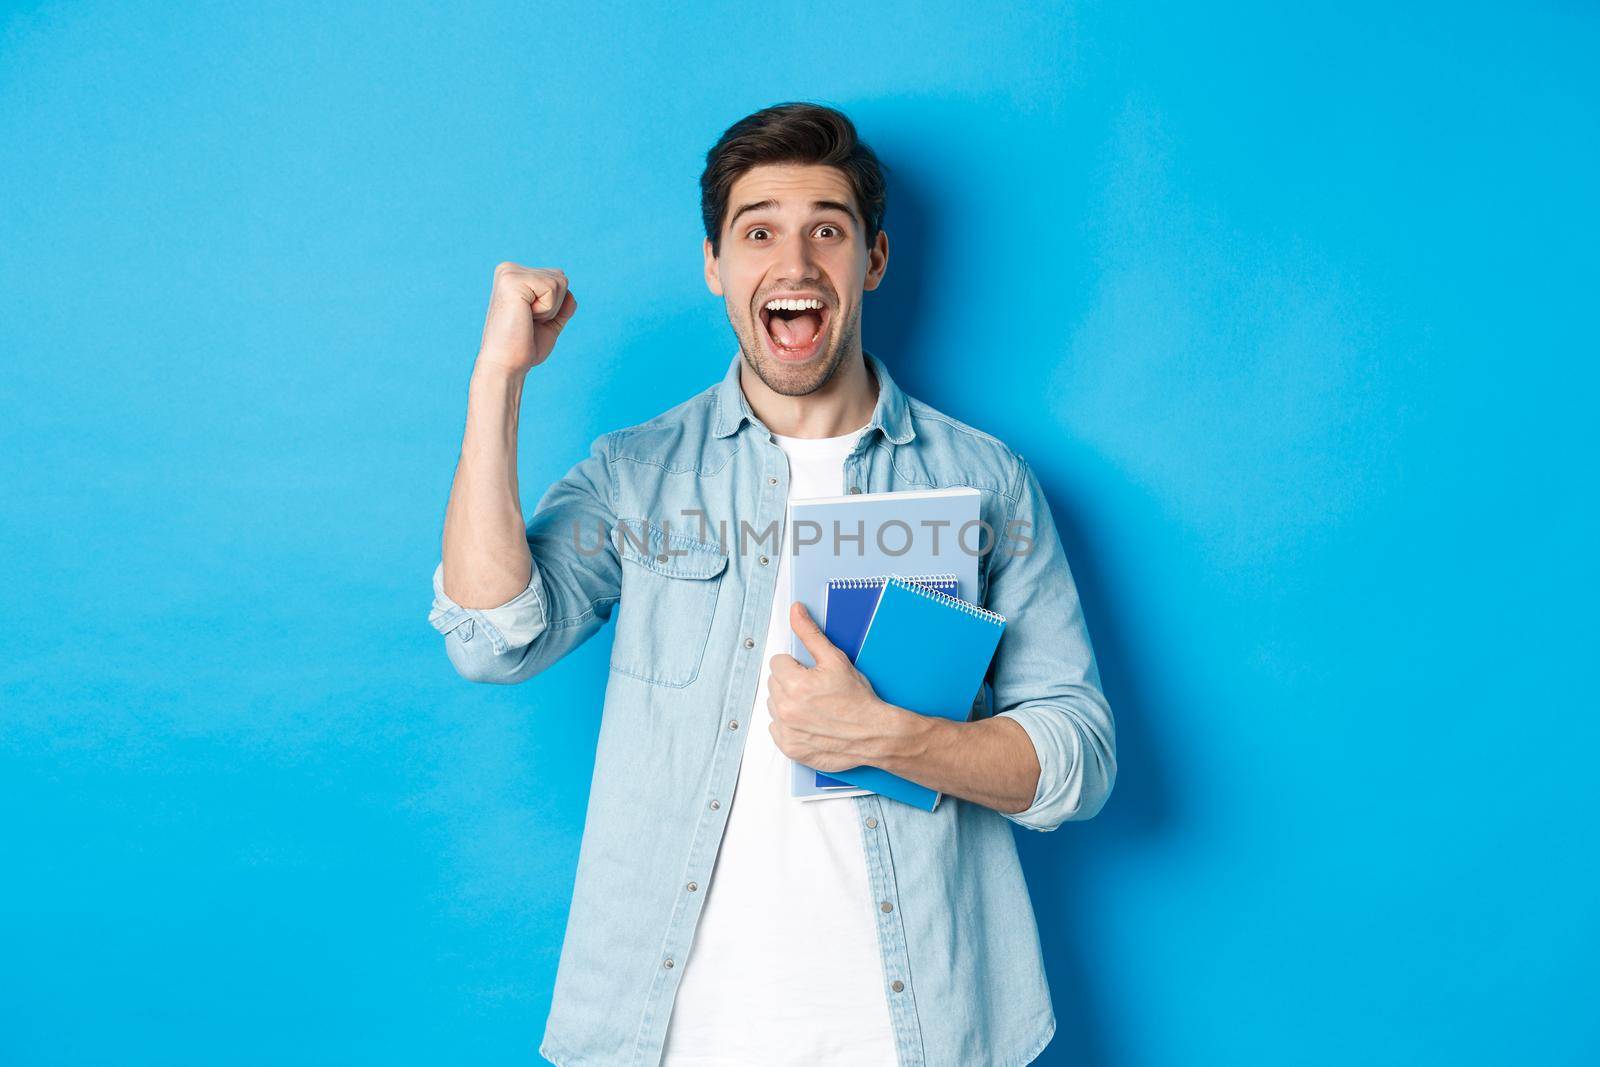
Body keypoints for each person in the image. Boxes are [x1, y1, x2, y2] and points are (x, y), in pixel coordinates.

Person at [428, 101, 1117, 1067]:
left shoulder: (983, 482)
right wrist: (498, 376)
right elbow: (490, 635)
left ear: (872, 261)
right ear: (716, 265)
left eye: (826, 231)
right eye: (758, 232)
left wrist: (893, 737)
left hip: (923, 1027)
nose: (793, 265)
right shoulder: (640, 471)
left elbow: (1077, 756)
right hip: (671, 1030)